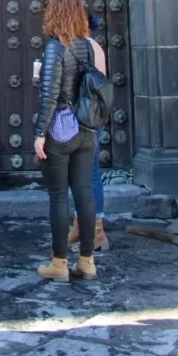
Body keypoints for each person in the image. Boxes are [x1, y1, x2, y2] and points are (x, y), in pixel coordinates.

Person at [34, 0, 99, 283]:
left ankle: (59, 263)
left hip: (62, 127)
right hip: (86, 129)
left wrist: (39, 134)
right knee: (84, 194)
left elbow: (49, 94)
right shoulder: (86, 45)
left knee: (58, 197)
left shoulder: (54, 47)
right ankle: (87, 261)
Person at [68, 15, 109, 253]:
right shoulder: (94, 46)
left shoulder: (83, 47)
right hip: (92, 116)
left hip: (83, 118)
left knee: (88, 174)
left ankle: (95, 232)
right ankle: (81, 226)